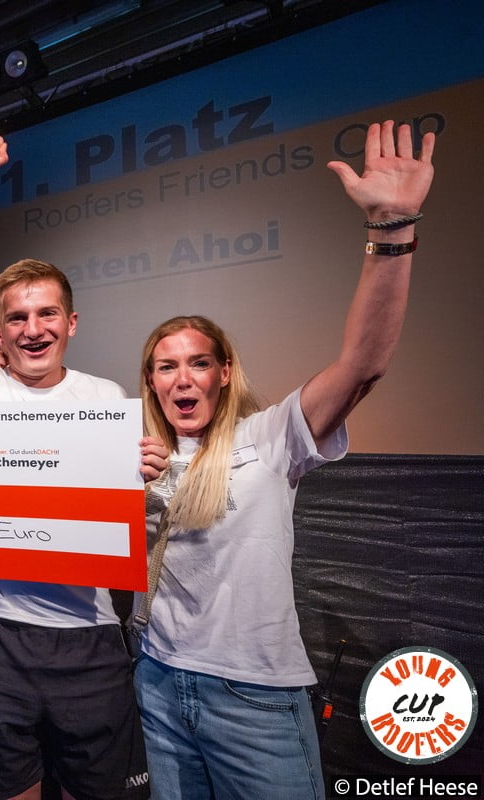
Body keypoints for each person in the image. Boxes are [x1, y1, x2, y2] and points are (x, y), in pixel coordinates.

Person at [133, 119, 434, 800]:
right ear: (150, 381)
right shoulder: (134, 454)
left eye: (198, 363)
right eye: (166, 367)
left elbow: (363, 365)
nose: (182, 379)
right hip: (157, 679)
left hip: (253, 697)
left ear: (224, 372)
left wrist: (391, 230)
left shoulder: (270, 436)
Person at [0, 122, 166, 800]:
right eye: (16, 318)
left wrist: (148, 477)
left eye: (48, 315)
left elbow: (122, 517)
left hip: (90, 637)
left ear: (71, 323)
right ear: (1, 326)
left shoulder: (106, 397)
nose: (32, 329)